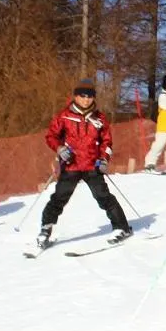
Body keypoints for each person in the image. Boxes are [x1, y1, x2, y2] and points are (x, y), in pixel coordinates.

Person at [38, 80, 131, 250]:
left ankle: (122, 227)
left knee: (103, 197)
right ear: (75, 96)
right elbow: (51, 136)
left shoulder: (99, 118)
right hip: (71, 165)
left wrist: (104, 159)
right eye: (82, 96)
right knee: (59, 198)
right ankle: (45, 229)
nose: (86, 100)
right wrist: (59, 149)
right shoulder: (64, 116)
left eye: (90, 96)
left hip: (92, 166)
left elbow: (107, 142)